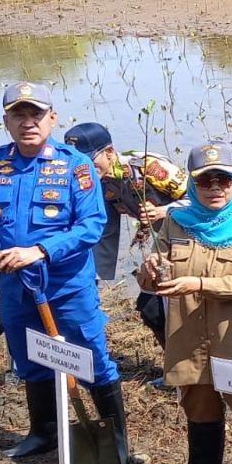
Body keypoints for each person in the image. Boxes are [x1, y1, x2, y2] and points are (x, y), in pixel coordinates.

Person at [0, 81, 127, 463]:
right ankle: (44, 433)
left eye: (35, 114)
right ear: (6, 121)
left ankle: (116, 442)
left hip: (67, 287)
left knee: (92, 359)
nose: (28, 123)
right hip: (14, 288)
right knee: (28, 359)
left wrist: (38, 251)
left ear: (52, 118)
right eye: (18, 115)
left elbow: (91, 226)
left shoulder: (75, 165)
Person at [135, 141, 232, 464]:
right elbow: (152, 279)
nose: (215, 188)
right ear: (193, 184)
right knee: (197, 399)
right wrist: (150, 271)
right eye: (205, 181)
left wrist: (198, 283)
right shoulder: (175, 222)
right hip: (189, 333)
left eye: (223, 180)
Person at [64, 122, 188, 350]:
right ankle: (174, 369)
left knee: (186, 309)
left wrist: (165, 211)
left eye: (89, 161)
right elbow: (105, 232)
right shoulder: (98, 184)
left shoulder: (149, 168)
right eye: (77, 163)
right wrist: (92, 280)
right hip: (165, 245)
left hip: (194, 241)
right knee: (151, 308)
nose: (84, 169)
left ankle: (197, 375)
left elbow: (204, 203)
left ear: (110, 152)